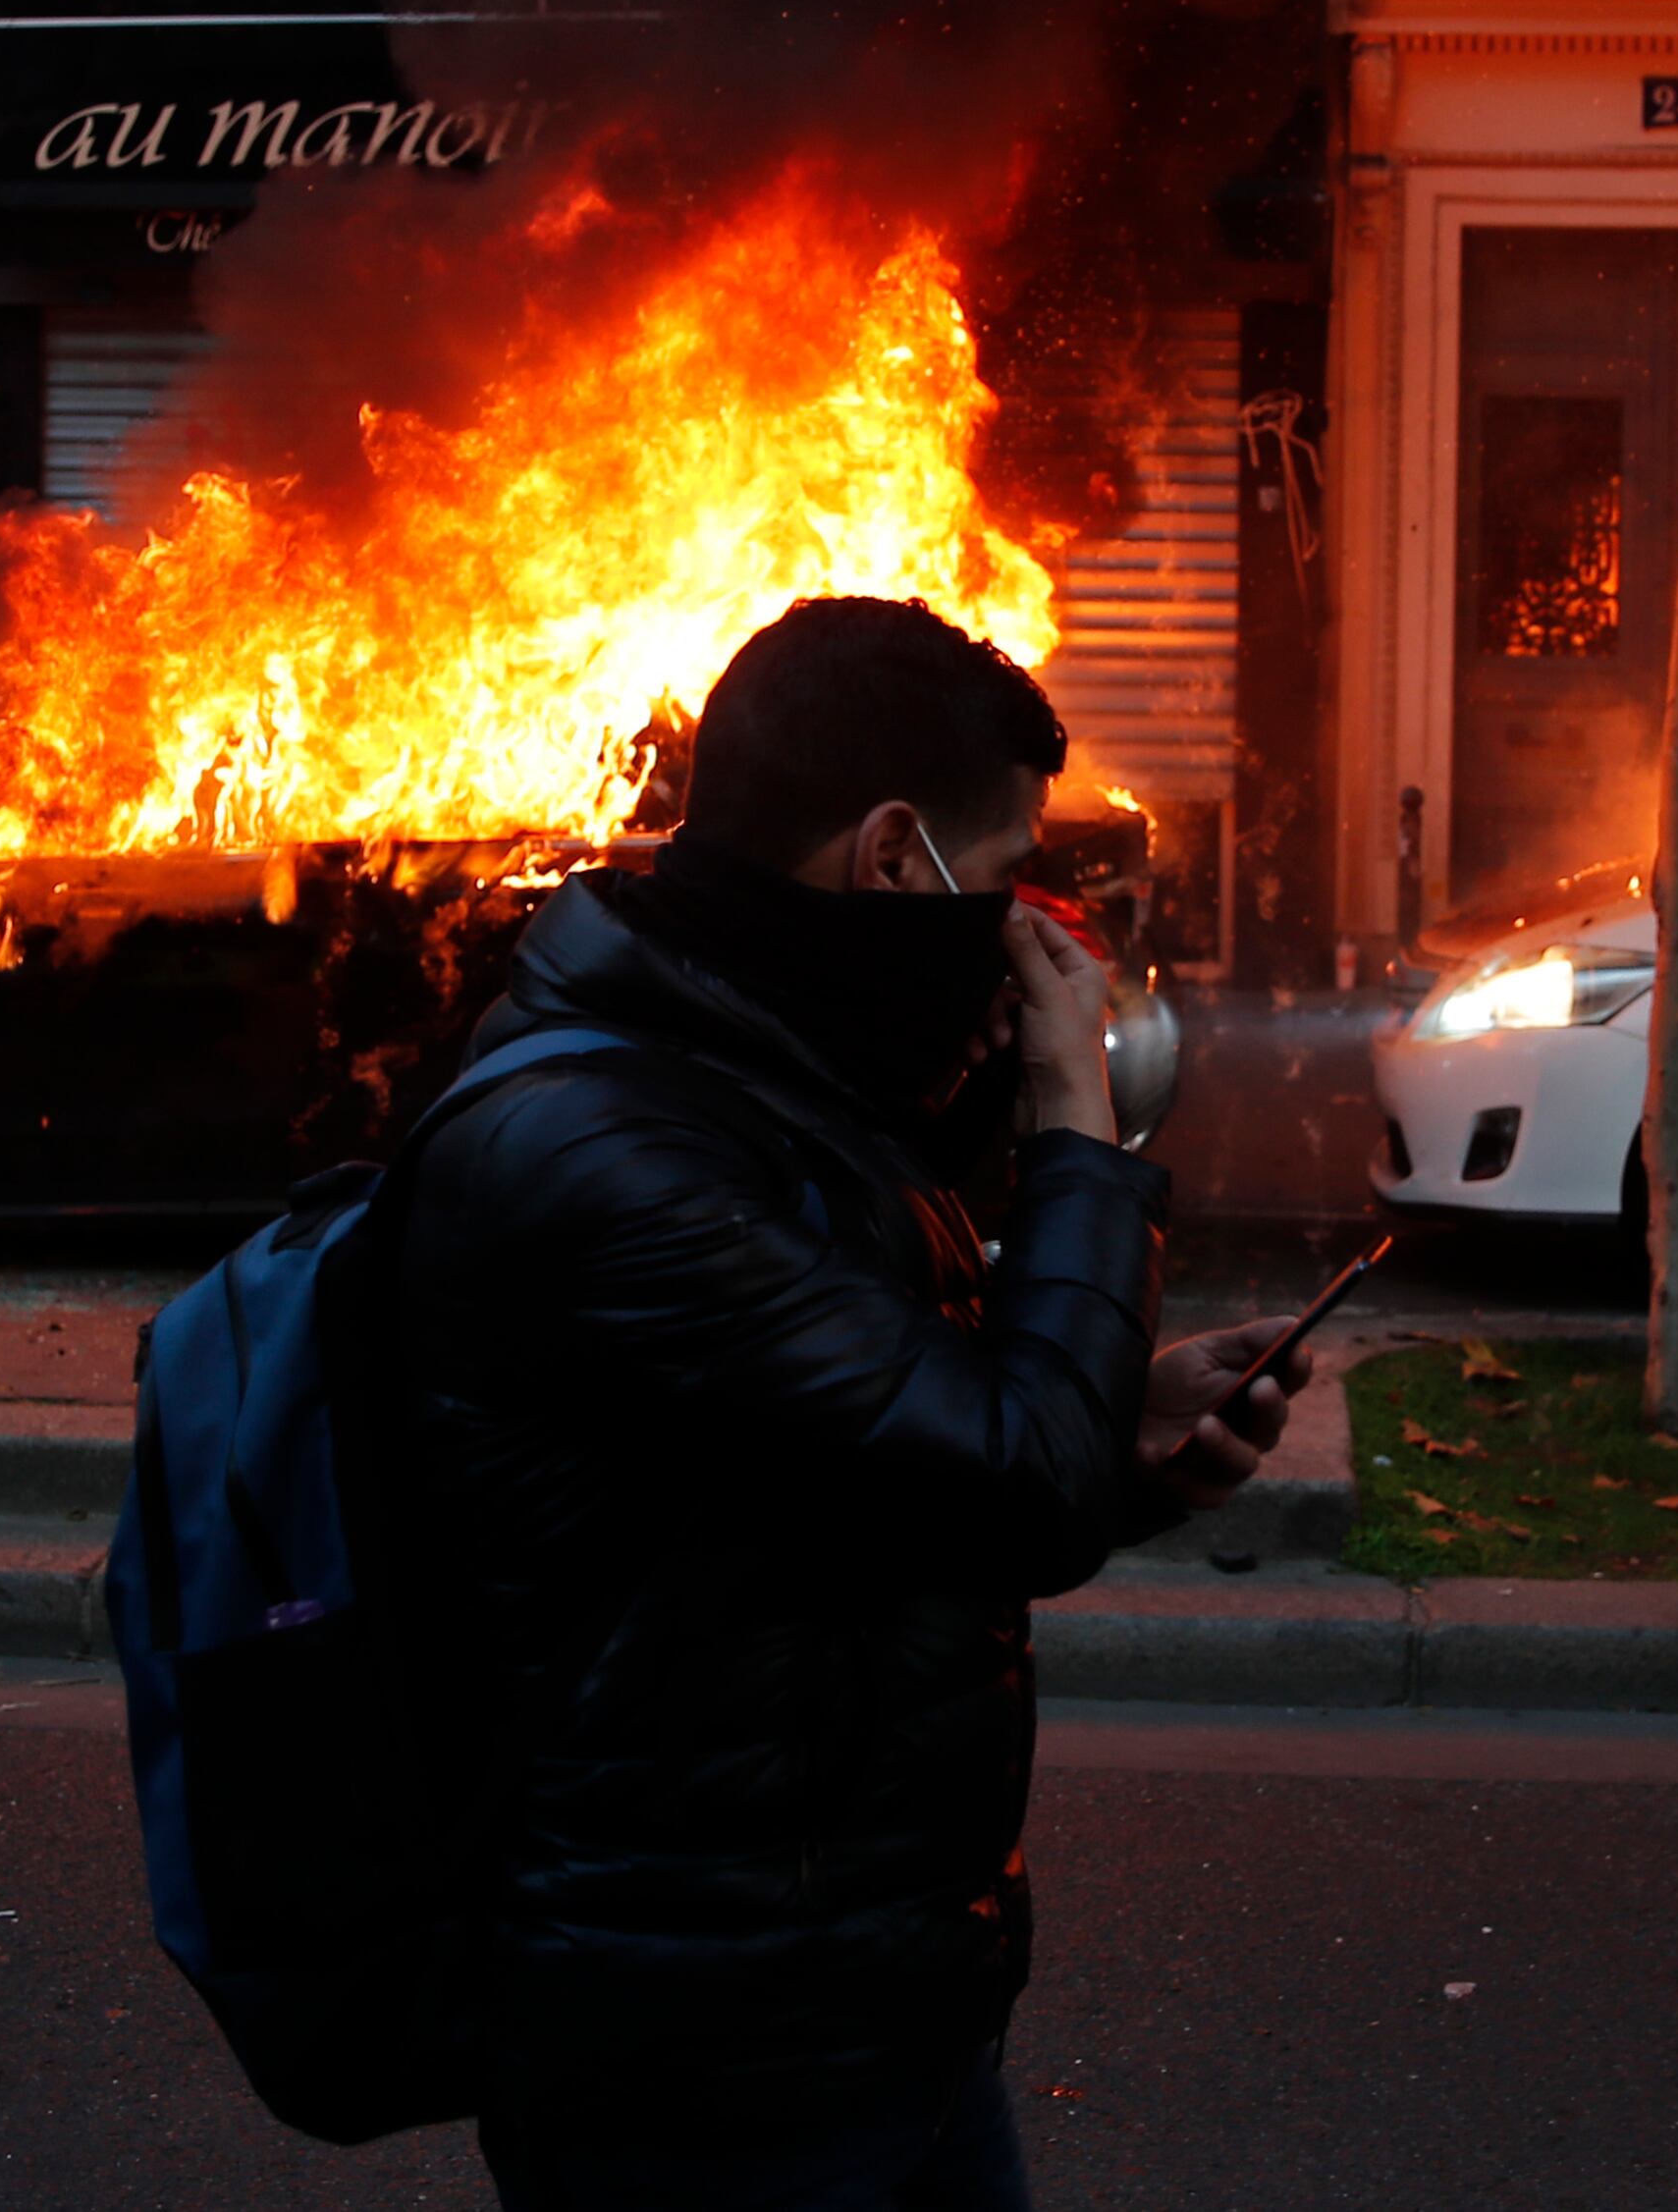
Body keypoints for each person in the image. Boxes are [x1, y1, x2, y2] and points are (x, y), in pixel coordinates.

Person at [386, 595, 1302, 2212]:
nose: (1024, 929)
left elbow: (861, 1483)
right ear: (892, 855)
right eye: (1008, 875)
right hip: (701, 2068)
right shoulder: (615, 1149)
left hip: (865, 2009)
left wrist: (1125, 1430)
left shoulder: (764, 1080)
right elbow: (1011, 1486)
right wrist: (1075, 1109)